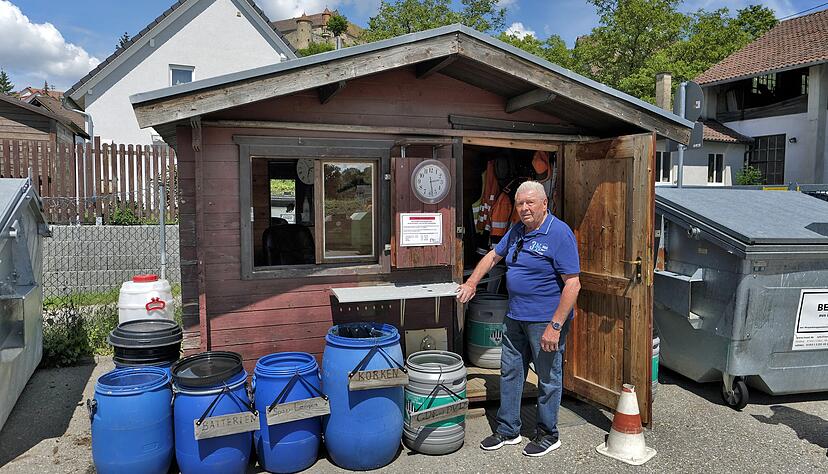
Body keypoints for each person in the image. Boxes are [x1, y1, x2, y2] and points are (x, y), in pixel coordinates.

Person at [456, 180, 581, 457]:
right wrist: (472, 283)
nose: (524, 208)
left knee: (548, 378)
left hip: (545, 322)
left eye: (530, 203)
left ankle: (549, 434)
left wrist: (555, 326)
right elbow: (492, 256)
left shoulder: (559, 234)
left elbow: (573, 284)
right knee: (510, 372)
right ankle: (508, 429)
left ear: (544, 203)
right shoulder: (517, 230)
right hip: (515, 316)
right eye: (520, 203)